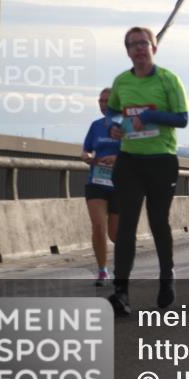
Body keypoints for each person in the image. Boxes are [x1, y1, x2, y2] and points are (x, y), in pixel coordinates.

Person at [106, 27, 189, 317]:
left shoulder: (168, 79)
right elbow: (113, 111)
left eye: (144, 43)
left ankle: (166, 276)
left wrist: (150, 115)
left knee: (158, 222)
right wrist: (114, 126)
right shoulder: (122, 81)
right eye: (134, 44)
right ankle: (121, 291)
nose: (139, 48)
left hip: (161, 160)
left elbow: (182, 118)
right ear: (127, 51)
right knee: (126, 225)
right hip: (130, 160)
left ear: (154, 48)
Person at [81, 87, 120, 286]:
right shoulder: (96, 126)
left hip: (120, 184)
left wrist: (117, 159)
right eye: (100, 100)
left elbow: (136, 153)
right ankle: (102, 270)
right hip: (96, 182)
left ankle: (122, 267)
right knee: (98, 226)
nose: (103, 104)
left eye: (107, 101)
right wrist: (88, 157)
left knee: (115, 233)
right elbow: (85, 151)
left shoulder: (126, 126)